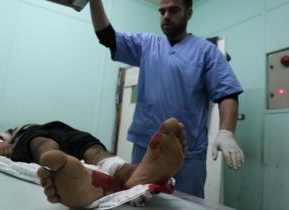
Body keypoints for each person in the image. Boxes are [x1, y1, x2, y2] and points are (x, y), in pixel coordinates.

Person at [89, 0, 245, 198]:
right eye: (161, 11)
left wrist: (226, 132)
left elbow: (227, 94)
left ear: (188, 13)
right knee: (140, 199)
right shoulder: (147, 45)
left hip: (188, 155)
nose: (166, 16)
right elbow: (107, 37)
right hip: (146, 148)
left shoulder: (207, 52)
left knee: (184, 203)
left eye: (173, 10)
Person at [0, 118, 187, 208]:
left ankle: (129, 173)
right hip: (36, 135)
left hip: (64, 129)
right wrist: (0, 143)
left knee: (94, 150)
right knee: (45, 145)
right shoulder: (16, 131)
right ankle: (69, 168)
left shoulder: (39, 125)